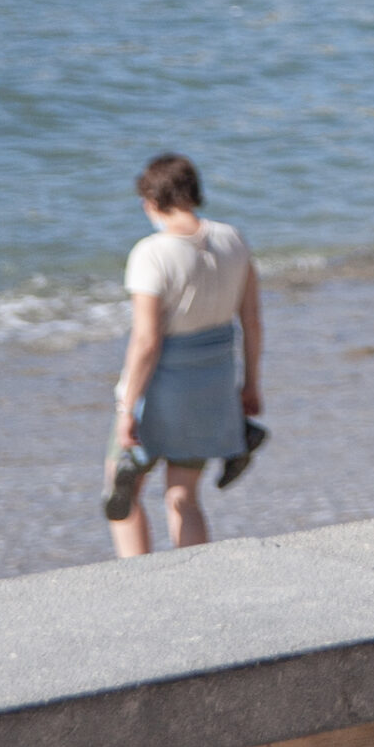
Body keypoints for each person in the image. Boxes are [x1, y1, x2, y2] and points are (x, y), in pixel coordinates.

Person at [104, 153, 264, 556]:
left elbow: (147, 341)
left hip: (162, 387)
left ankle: (140, 585)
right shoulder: (233, 239)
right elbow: (253, 323)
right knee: (182, 496)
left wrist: (127, 408)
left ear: (151, 200)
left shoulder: (151, 252)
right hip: (213, 384)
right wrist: (250, 386)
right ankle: (197, 586)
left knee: (121, 492)